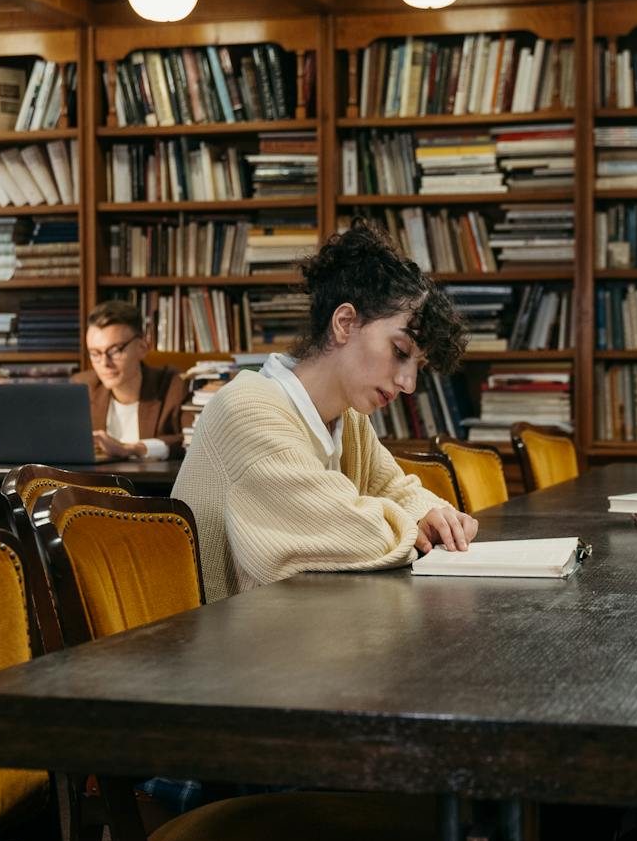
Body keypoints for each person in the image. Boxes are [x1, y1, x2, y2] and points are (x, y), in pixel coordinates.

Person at [173, 223, 478, 603]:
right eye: (400, 351)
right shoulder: (247, 409)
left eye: (418, 366)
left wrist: (429, 514)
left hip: (292, 631)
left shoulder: (350, 419)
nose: (409, 384)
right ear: (345, 323)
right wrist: (412, 521)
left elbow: (394, 491)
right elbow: (351, 532)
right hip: (224, 650)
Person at [73, 301, 187, 460]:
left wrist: (131, 449)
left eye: (115, 350)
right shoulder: (81, 387)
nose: (105, 363)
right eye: (95, 353)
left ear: (142, 347)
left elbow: (191, 442)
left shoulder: (175, 386)